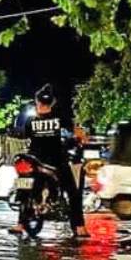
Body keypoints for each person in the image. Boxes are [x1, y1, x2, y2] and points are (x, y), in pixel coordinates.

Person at [9, 84, 89, 237]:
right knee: (73, 192)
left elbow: (24, 137)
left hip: (34, 161)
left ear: (37, 102)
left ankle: (20, 224)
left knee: (27, 188)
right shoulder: (60, 118)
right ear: (52, 103)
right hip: (56, 161)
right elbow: (78, 133)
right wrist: (80, 138)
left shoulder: (30, 121)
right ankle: (80, 227)